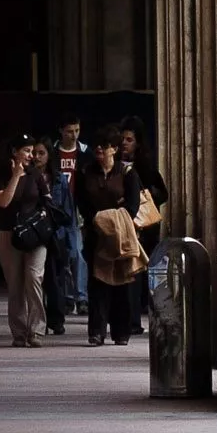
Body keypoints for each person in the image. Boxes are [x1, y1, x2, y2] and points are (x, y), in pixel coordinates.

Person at [76, 126, 142, 346]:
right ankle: (96, 332)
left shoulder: (127, 173)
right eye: (96, 146)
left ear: (114, 149)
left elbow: (132, 206)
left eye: (104, 146)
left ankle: (121, 332)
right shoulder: (86, 172)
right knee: (98, 283)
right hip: (96, 236)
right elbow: (82, 202)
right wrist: (98, 220)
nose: (99, 150)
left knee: (122, 283)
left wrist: (112, 220)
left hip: (121, 236)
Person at [0, 133, 50, 348]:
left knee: (34, 276)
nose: (30, 155)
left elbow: (47, 199)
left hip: (35, 234)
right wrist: (16, 176)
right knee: (15, 283)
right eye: (26, 151)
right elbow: (4, 202)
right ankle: (19, 332)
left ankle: (37, 330)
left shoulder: (36, 174)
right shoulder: (1, 173)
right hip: (9, 232)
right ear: (15, 152)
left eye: (32, 151)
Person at [120, 116, 169, 334]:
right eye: (122, 139)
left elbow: (163, 193)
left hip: (144, 227)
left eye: (129, 140)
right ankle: (130, 320)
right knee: (130, 273)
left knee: (145, 271)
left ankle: (145, 315)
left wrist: (142, 196)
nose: (124, 143)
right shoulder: (117, 166)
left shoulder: (146, 167)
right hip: (125, 224)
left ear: (138, 143)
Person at [32, 138, 71, 335]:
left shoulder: (59, 179)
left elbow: (67, 209)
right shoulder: (27, 177)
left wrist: (68, 236)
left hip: (55, 233)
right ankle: (39, 319)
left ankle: (56, 319)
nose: (37, 157)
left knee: (55, 278)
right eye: (34, 153)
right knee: (36, 278)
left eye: (41, 153)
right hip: (34, 232)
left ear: (49, 156)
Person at [54, 113, 89, 315]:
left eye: (77, 130)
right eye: (69, 131)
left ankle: (81, 296)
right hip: (58, 208)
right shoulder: (53, 152)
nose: (74, 135)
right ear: (61, 131)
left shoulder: (84, 152)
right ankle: (68, 297)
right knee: (63, 255)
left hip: (76, 208)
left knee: (77, 253)